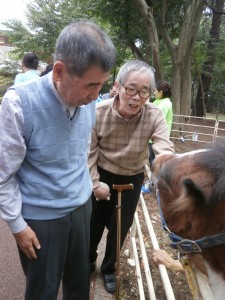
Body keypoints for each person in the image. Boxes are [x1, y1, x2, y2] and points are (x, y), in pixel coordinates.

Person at [0, 20, 116, 300]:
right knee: (43, 291)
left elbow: (79, 154)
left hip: (81, 207)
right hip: (40, 217)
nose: (95, 95)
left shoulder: (88, 103)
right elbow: (3, 174)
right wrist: (17, 225)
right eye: (91, 85)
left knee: (79, 285)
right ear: (60, 71)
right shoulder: (19, 103)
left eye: (102, 84)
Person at [88, 60, 174, 294]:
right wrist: (95, 184)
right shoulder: (98, 112)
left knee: (120, 228)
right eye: (131, 89)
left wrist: (166, 164)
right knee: (93, 224)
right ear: (117, 86)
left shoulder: (154, 114)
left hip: (132, 177)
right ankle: (88, 261)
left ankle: (108, 269)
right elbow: (89, 154)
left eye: (144, 91)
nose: (137, 97)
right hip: (102, 173)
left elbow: (163, 145)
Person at [142, 80, 173, 193]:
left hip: (158, 139)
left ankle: (153, 185)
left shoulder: (165, 103)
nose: (153, 92)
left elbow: (154, 120)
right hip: (151, 139)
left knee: (156, 163)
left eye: (155, 90)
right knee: (152, 161)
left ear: (160, 91)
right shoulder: (158, 101)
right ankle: (154, 184)